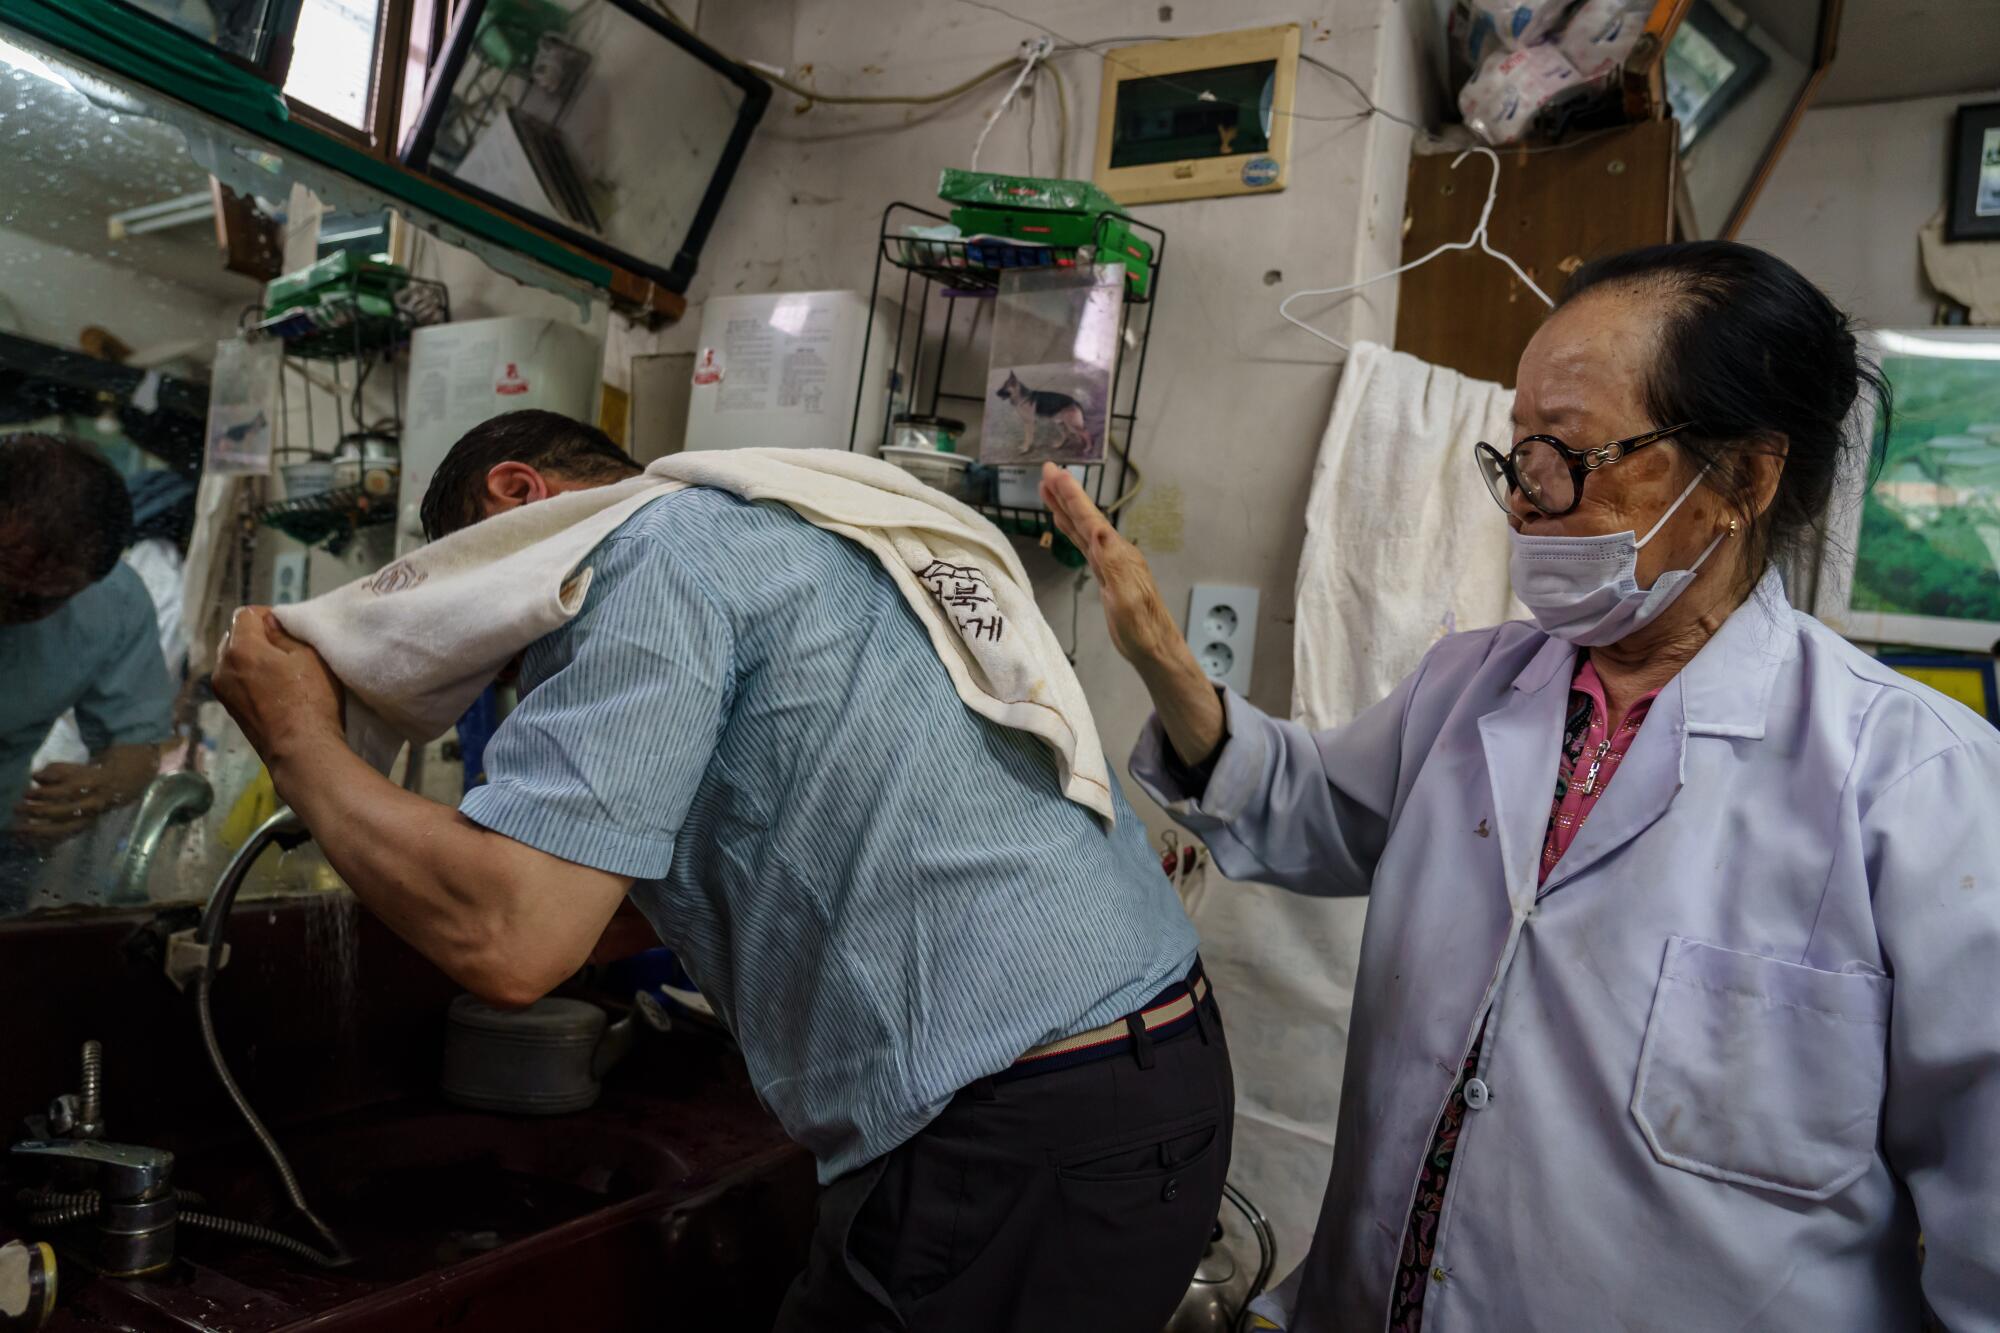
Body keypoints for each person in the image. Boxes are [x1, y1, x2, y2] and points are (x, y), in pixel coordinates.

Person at [1044, 241, 2000, 1331]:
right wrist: (1171, 670)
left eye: (1569, 457)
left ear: (1739, 478)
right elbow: (1311, 810)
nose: (1524, 502)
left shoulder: (1913, 785)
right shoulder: (1472, 683)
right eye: (1516, 456)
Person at [212, 410, 1232, 1332]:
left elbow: (513, 940)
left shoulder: (645, 553)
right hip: (1152, 1069)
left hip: (1016, 1124)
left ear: (515, 497)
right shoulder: (804, 525)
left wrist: (301, 742)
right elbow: (740, 848)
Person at [1, 433, 175, 910]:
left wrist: (98, 789)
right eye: (7, 579)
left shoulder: (114, 605)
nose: (19, 609)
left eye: (48, 598)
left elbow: (136, 750)